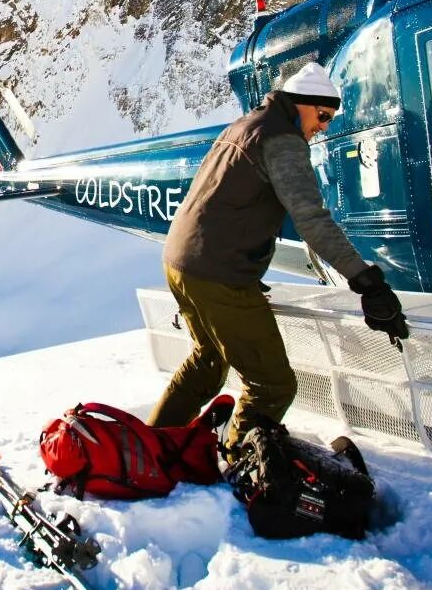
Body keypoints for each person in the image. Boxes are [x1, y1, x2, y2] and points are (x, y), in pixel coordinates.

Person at [149, 61, 409, 451]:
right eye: (322, 116)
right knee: (272, 385)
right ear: (301, 104)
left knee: (207, 361)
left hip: (181, 262)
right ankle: (244, 464)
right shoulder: (283, 141)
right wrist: (365, 279)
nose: (324, 126)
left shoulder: (248, 124)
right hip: (218, 273)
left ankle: (150, 447)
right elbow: (312, 220)